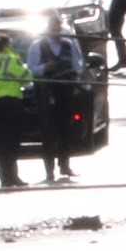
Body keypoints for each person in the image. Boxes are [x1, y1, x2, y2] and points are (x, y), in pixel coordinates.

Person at [27, 21, 85, 181]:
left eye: (58, 28)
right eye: (53, 28)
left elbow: (78, 64)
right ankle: (49, 170)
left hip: (65, 92)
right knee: (48, 132)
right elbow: (31, 68)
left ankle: (65, 165)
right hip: (47, 93)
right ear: (48, 29)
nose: (56, 31)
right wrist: (45, 67)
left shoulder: (69, 44)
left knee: (65, 128)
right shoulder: (37, 45)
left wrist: (75, 71)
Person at [0, 33, 32, 189]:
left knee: (1, 142)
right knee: (12, 141)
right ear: (7, 45)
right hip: (11, 102)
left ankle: (5, 178)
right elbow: (27, 77)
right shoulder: (9, 59)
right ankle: (13, 176)